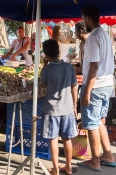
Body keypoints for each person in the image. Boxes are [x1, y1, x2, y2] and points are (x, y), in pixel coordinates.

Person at [78, 5, 116, 172]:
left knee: (92, 124)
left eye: (82, 18)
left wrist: (87, 90)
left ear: (87, 18)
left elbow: (94, 66)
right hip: (106, 84)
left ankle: (95, 160)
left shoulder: (93, 38)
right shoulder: (104, 35)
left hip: (96, 85)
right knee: (99, 121)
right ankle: (107, 155)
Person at [41, 39, 77, 175]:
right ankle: (68, 168)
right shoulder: (69, 67)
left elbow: (43, 85)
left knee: (53, 139)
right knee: (67, 139)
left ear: (46, 54)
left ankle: (55, 170)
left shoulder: (46, 69)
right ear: (58, 51)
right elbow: (74, 88)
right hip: (67, 108)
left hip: (51, 110)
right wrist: (74, 105)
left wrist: (45, 65)